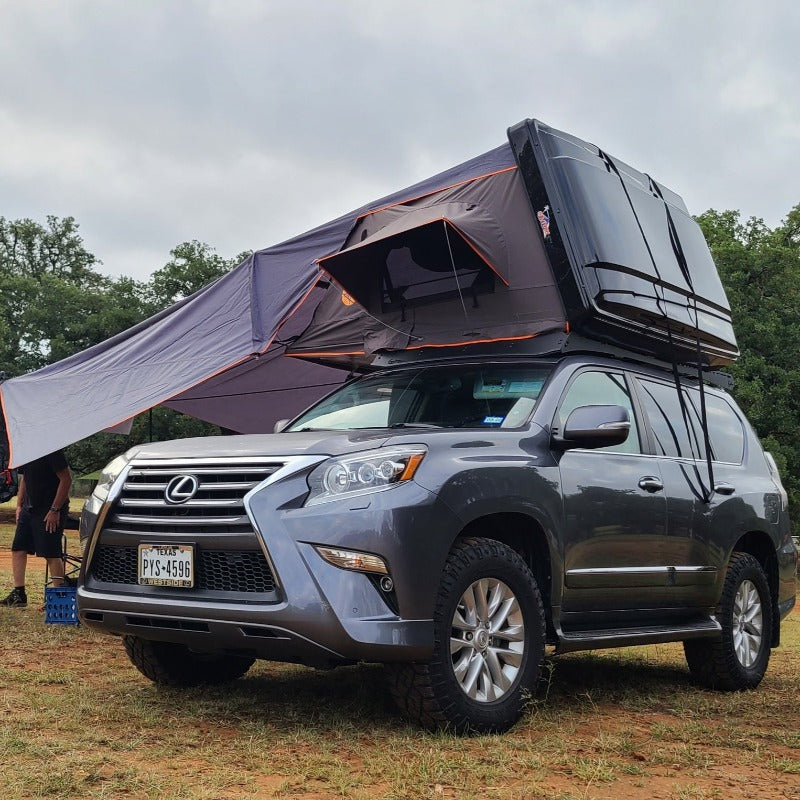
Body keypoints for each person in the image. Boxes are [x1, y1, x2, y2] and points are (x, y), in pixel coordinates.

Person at [1, 449, 72, 608]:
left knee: (51, 552)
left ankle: (58, 599)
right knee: (18, 548)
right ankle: (19, 594)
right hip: (29, 508)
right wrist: (19, 505)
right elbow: (25, 479)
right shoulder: (28, 450)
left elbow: (66, 480)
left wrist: (55, 510)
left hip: (49, 508)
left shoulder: (52, 450)